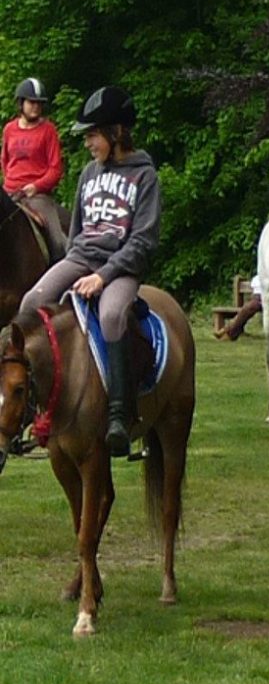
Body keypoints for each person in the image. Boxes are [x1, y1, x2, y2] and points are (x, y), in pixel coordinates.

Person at [19, 86, 161, 457]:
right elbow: (77, 231)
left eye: (93, 135)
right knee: (31, 301)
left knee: (112, 315)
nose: (88, 143)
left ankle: (119, 413)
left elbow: (144, 241)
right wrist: (72, 263)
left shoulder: (145, 177)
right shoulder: (88, 174)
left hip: (121, 266)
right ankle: (32, 405)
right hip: (81, 257)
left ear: (115, 133)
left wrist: (104, 276)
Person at [1, 77, 66, 261]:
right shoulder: (9, 130)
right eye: (31, 102)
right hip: (9, 194)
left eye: (39, 103)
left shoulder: (48, 130)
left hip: (37, 197)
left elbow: (55, 169)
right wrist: (12, 184)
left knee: (58, 242)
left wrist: (35, 186)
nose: (36, 107)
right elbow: (5, 161)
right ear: (21, 103)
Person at [214, 274, 262, 340]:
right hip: (259, 297)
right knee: (248, 308)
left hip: (268, 299)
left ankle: (229, 331)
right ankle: (229, 330)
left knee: (249, 307)